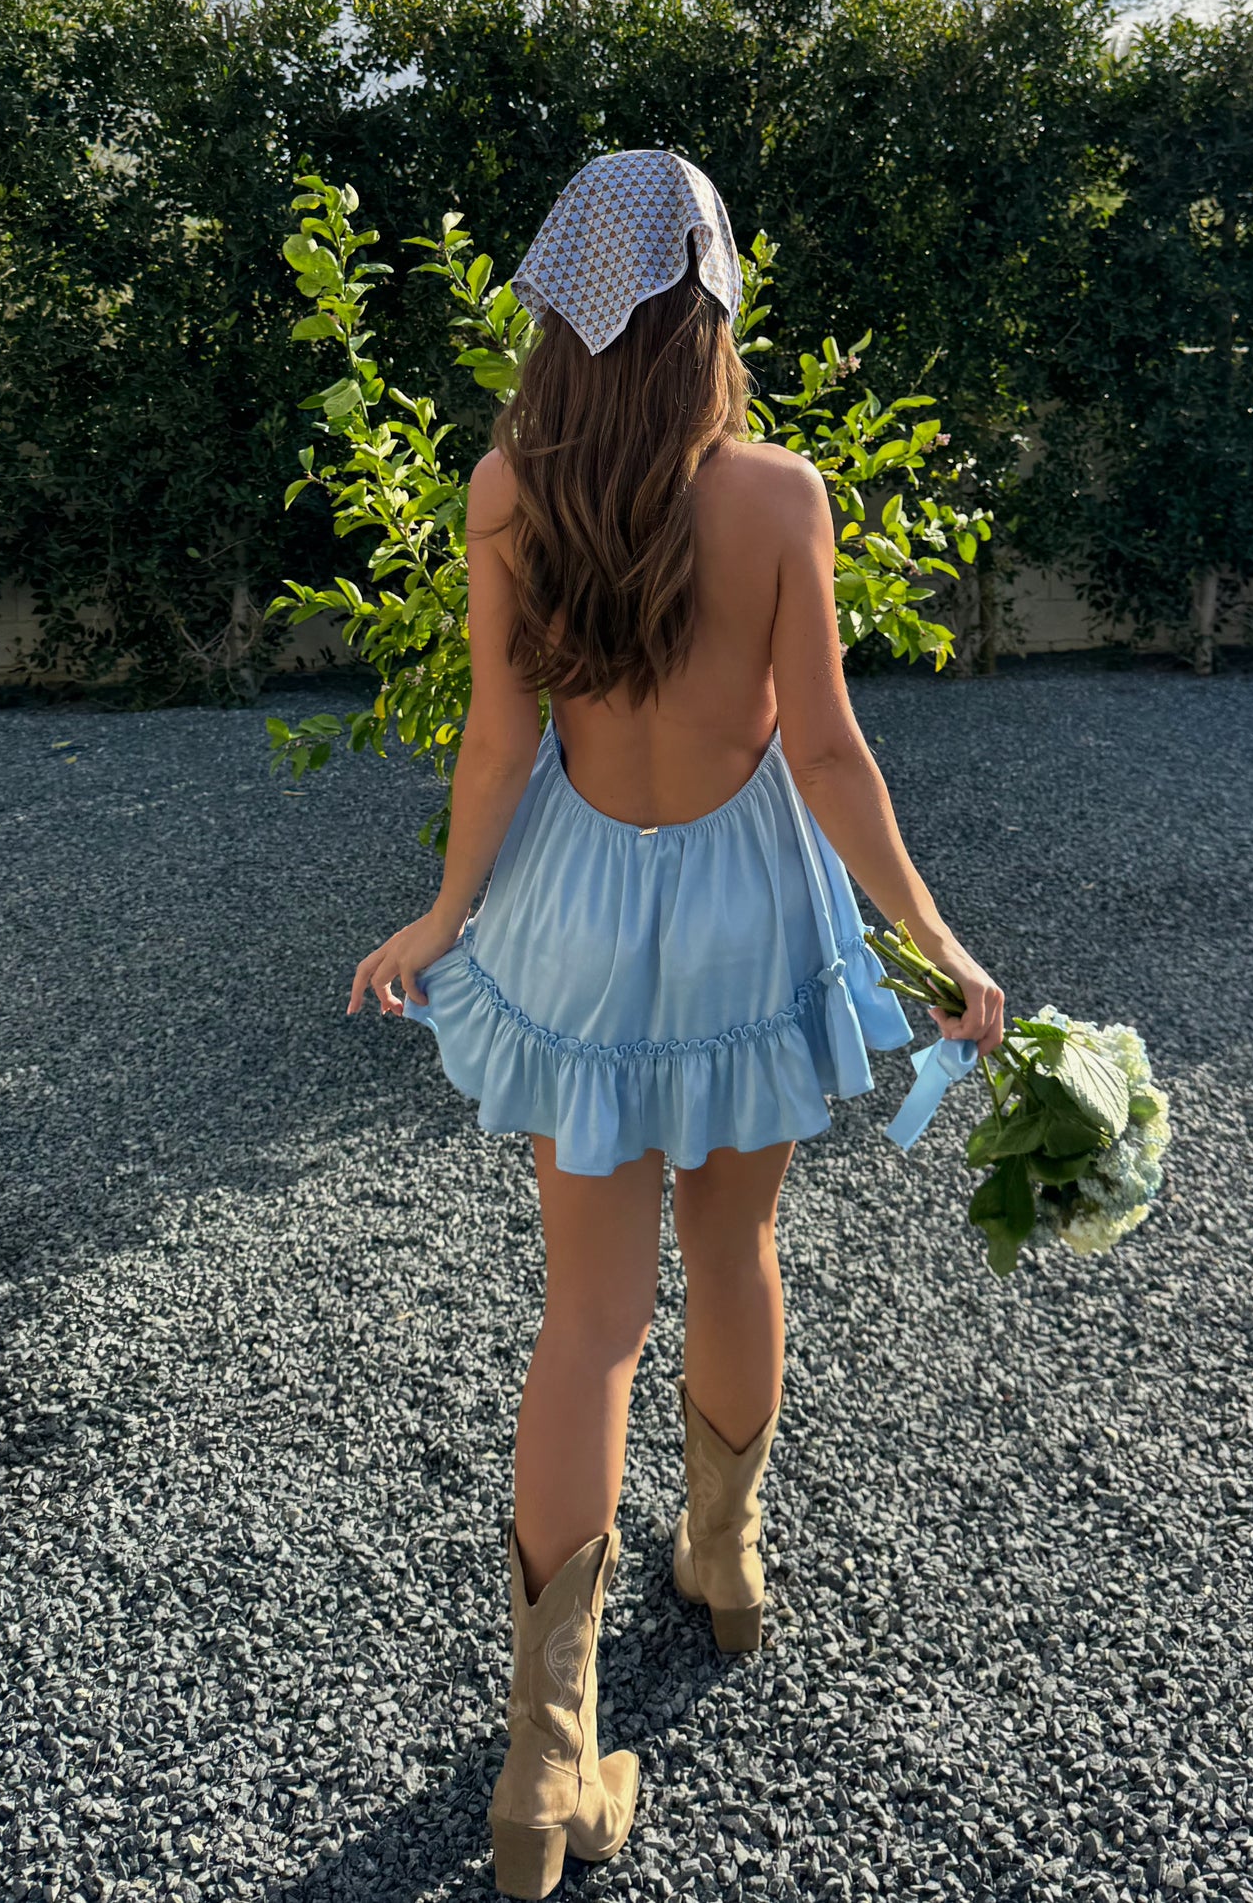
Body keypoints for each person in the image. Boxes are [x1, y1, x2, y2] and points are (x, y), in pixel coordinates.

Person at [347, 149, 1003, 1899]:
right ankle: (725, 1565)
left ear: (558, 304)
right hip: (742, 916)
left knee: (585, 1323)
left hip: (573, 911)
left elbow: (499, 741)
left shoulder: (509, 487)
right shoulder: (778, 495)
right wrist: (934, 940)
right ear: (711, 297)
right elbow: (826, 750)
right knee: (734, 1253)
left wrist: (443, 915)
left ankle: (544, 1761)